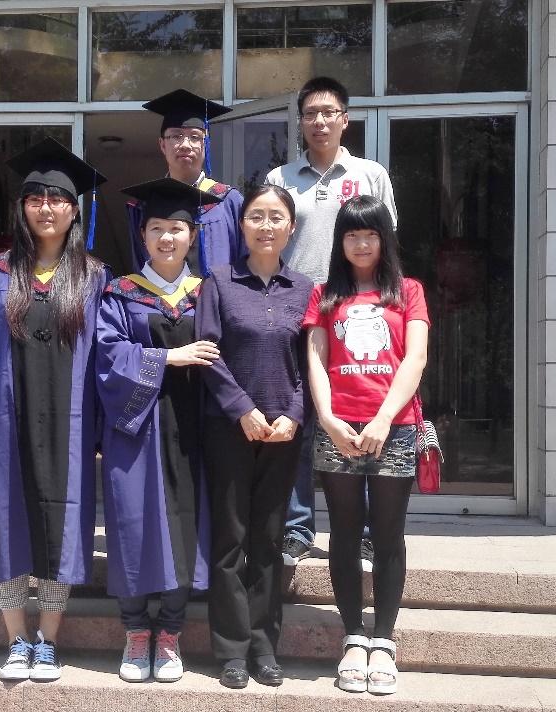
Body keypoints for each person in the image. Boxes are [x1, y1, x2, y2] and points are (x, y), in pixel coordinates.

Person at [0, 138, 108, 683]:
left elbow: (104, 355)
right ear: (22, 207)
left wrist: (104, 428)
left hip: (71, 422)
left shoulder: (94, 276)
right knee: (11, 525)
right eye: (35, 198)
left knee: (64, 526)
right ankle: (16, 639)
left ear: (74, 210)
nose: (46, 207)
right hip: (6, 419)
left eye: (57, 198)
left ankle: (48, 641)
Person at [266, 76, 398, 571]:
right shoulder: (281, 178)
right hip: (294, 311)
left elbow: (387, 241)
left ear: (345, 118)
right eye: (310, 114)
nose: (319, 121)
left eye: (328, 112)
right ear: (300, 122)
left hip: (355, 313)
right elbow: (268, 241)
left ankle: (362, 532)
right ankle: (298, 528)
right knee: (299, 419)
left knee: (358, 415)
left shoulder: (370, 175)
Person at [96, 177, 223, 684]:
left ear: (193, 235)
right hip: (135, 427)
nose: (166, 238)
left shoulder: (210, 293)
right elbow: (106, 355)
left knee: (185, 524)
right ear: (142, 235)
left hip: (193, 427)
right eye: (156, 229)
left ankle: (169, 631)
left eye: (176, 228)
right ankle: (135, 630)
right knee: (133, 520)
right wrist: (169, 357)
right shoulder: (119, 292)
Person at [302, 195, 428, 696]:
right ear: (340, 241)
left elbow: (415, 359)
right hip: (339, 428)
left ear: (384, 238)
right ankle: (354, 636)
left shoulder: (408, 291)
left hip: (393, 427)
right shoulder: (324, 294)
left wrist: (382, 419)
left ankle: (384, 640)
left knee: (389, 536)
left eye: (370, 234)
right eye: (351, 235)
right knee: (345, 533)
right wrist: (328, 419)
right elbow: (316, 359)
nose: (360, 243)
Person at [195, 185, 314, 689]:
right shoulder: (218, 283)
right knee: (230, 539)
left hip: (284, 434)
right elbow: (207, 353)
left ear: (291, 227)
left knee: (268, 540)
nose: (266, 226)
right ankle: (231, 651)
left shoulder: (305, 289)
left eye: (276, 217)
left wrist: (294, 415)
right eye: (256, 217)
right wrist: (241, 408)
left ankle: (265, 648)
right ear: (242, 225)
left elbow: (314, 364)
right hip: (228, 430)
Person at [126, 88, 245, 275]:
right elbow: (139, 266)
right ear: (162, 145)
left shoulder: (228, 201)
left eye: (195, 137)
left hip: (218, 294)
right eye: (176, 136)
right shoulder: (143, 204)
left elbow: (245, 262)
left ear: (206, 144)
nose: (185, 145)